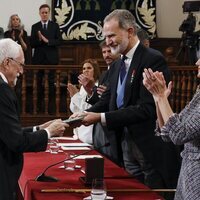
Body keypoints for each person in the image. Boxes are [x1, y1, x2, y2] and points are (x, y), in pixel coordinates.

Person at [72, 9, 180, 190]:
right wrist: (81, 115)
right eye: (105, 37)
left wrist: (100, 118)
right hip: (123, 144)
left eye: (111, 35)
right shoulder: (116, 66)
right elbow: (106, 102)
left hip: (149, 147)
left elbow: (147, 108)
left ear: (130, 32)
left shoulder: (152, 59)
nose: (108, 42)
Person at [0, 38, 68, 200]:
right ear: (7, 63)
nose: (22, 71)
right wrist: (48, 132)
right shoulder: (2, 91)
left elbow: (7, 132)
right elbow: (15, 141)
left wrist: (39, 128)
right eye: (21, 65)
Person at [143, 59, 200, 200]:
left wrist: (162, 97)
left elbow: (179, 134)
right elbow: (167, 132)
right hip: (188, 174)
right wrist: (158, 99)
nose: (197, 62)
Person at [30, 4, 62, 113]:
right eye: (42, 12)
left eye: (46, 12)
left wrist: (48, 41)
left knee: (51, 85)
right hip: (38, 60)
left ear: (49, 13)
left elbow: (59, 41)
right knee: (38, 85)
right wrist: (40, 40)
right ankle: (38, 107)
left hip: (51, 60)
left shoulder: (55, 26)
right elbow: (32, 44)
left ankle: (51, 108)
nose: (44, 14)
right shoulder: (35, 26)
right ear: (39, 14)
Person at [67, 59, 100, 144]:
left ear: (95, 70)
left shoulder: (97, 86)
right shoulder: (82, 87)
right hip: (79, 132)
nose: (86, 70)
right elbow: (74, 110)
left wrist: (75, 96)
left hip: (89, 131)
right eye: (84, 68)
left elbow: (88, 108)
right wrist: (73, 96)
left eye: (89, 68)